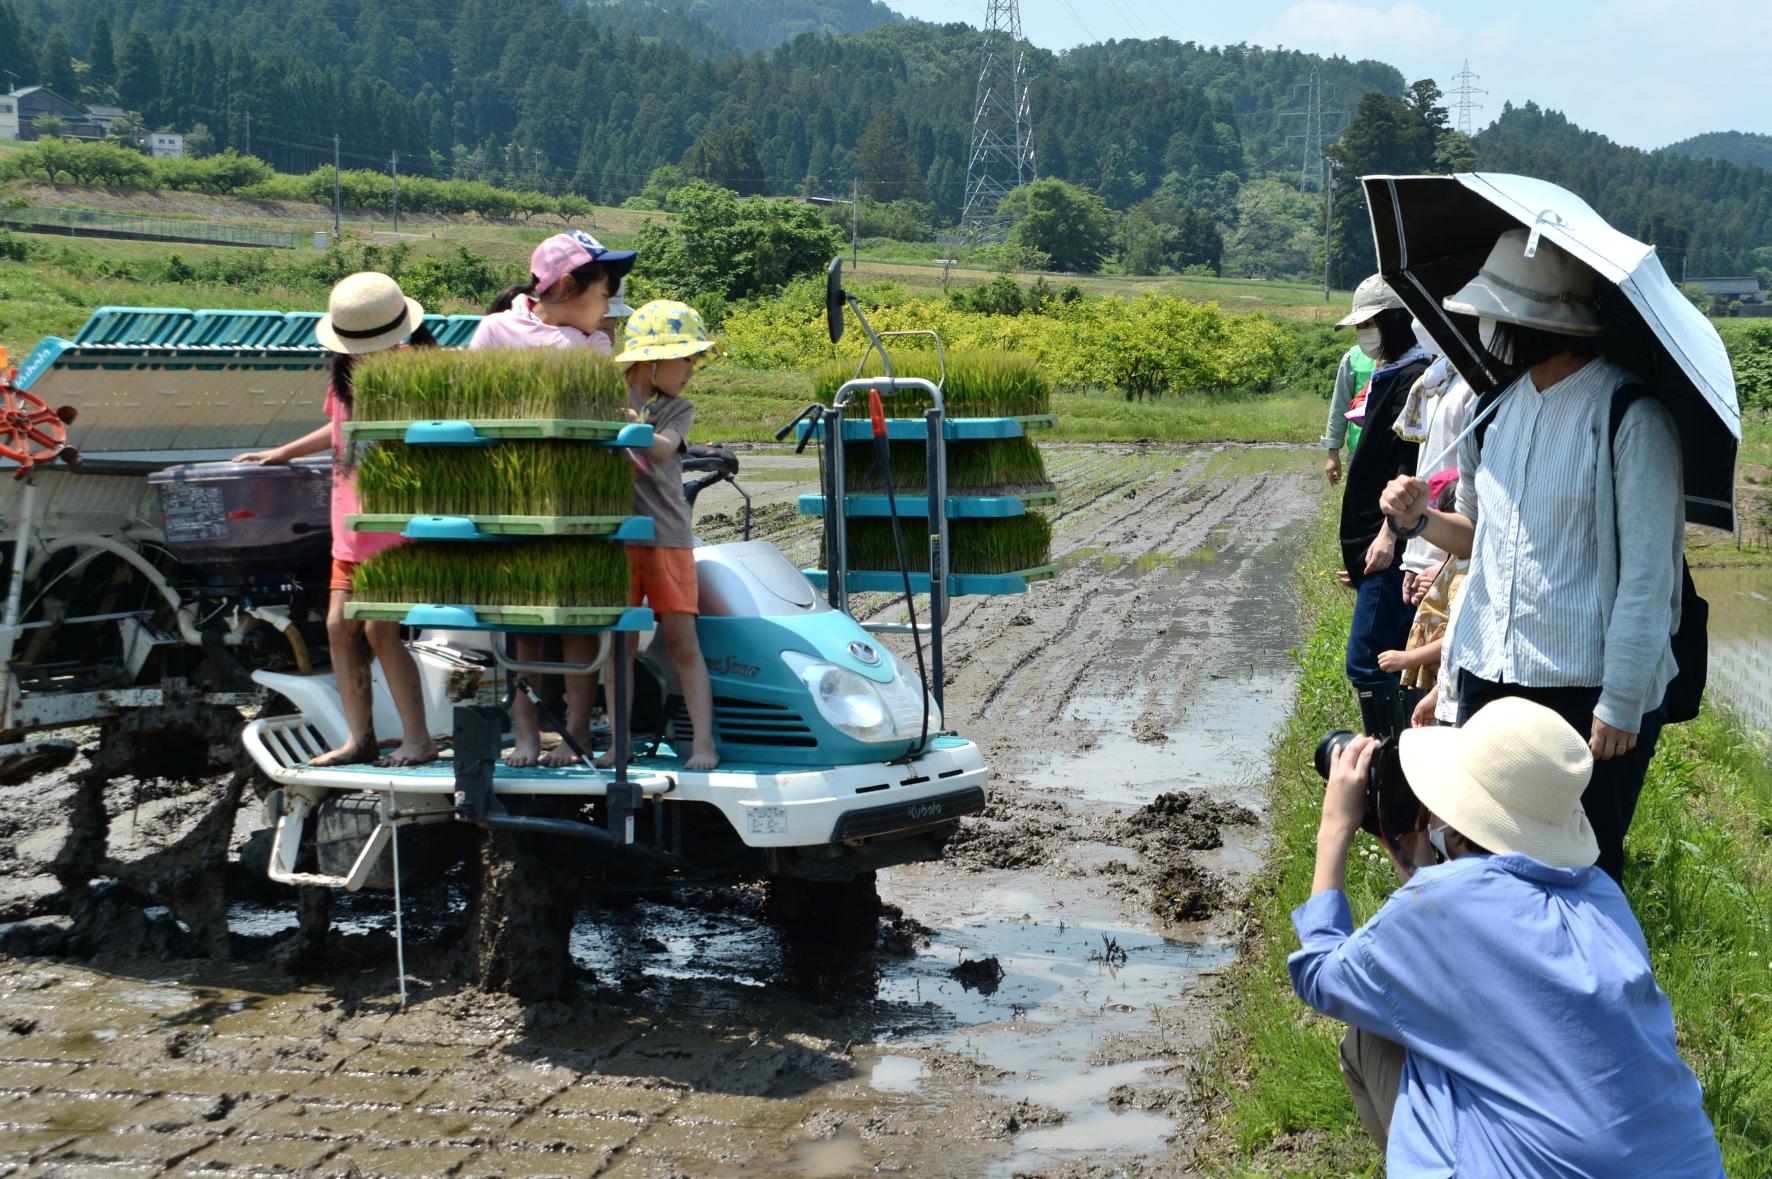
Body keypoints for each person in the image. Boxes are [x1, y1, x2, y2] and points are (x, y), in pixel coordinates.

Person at [1293, 697, 1724, 1177]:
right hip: (1690, 1164)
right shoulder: (1603, 896)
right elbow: (1481, 946)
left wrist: (1335, 829)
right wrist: (1419, 867)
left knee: (1372, 1035)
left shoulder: (1444, 905)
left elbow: (1321, 974)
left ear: (1454, 819)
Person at [1378, 228, 1683, 882]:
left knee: (1584, 868)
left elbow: (1648, 577)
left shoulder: (1630, 416)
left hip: (1586, 688)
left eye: (1497, 313)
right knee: (1489, 863)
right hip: (1493, 673)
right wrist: (1422, 519)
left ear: (1530, 321)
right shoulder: (1493, 409)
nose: (1490, 327)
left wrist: (1622, 698)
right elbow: (1478, 540)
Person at [233, 272, 436, 767]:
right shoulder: (344, 373)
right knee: (339, 627)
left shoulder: (419, 375)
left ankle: (418, 739)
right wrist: (282, 452)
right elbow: (339, 424)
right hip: (349, 525)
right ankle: (358, 739)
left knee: (379, 632)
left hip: (394, 523)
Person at [468, 230, 636, 767]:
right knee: (522, 626)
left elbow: (601, 410)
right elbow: (475, 403)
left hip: (581, 503)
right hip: (513, 502)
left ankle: (576, 731)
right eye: (603, 295)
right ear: (567, 284)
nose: (607, 309)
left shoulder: (596, 343)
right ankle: (524, 733)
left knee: (577, 619)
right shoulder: (495, 330)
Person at [606, 300, 721, 772]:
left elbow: (661, 449)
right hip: (619, 536)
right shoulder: (605, 397)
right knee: (620, 646)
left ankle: (703, 745)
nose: (692, 368)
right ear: (653, 360)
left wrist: (630, 425)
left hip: (667, 536)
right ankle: (618, 743)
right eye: (686, 358)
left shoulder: (677, 407)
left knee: (681, 640)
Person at [1332, 275, 1430, 736]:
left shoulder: (1417, 378)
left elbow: (1411, 468)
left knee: (1371, 662)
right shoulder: (1391, 373)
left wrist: (1388, 536)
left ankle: (1390, 772)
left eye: (1369, 324)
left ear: (1396, 321)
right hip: (1377, 549)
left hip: (1393, 546)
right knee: (1390, 655)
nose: (1363, 336)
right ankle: (1397, 768)